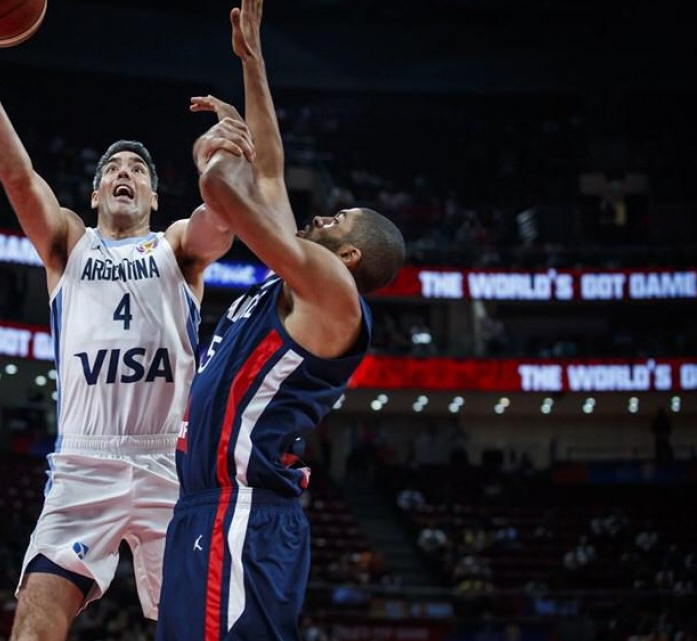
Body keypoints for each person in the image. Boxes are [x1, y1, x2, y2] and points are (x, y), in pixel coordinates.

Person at [0, 1, 241, 638]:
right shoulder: (67, 244)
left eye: (137, 169)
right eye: (113, 169)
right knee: (36, 614)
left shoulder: (178, 245)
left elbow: (224, 227)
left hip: (170, 460)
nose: (124, 173)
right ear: (95, 194)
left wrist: (221, 170)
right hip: (85, 460)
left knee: (195, 629)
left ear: (156, 197)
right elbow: (15, 172)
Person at [156, 1, 405, 638]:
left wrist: (214, 155)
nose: (320, 217)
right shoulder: (294, 283)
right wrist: (253, 62)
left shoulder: (332, 290)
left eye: (336, 222)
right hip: (203, 506)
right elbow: (268, 169)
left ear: (348, 257)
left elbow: (230, 194)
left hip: (243, 509)